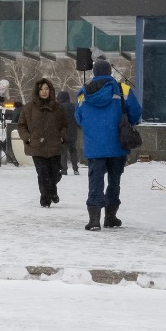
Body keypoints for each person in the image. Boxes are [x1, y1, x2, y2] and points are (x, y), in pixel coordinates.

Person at [75, 58, 142, 232]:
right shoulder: (123, 89)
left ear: (94, 73)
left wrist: (93, 128)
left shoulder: (83, 92)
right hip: (117, 145)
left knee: (95, 181)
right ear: (110, 72)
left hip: (94, 146)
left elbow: (79, 117)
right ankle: (110, 217)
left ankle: (94, 220)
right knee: (114, 181)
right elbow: (135, 112)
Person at [17, 78, 69, 208]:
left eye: (46, 89)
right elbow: (21, 125)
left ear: (50, 90)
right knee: (43, 173)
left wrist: (62, 137)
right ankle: (45, 198)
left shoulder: (58, 108)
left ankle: (52, 191)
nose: (44, 92)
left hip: (54, 145)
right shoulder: (28, 108)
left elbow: (64, 125)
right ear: (37, 91)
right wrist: (27, 138)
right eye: (41, 89)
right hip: (37, 146)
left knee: (55, 173)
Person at [60, 101, 82, 176]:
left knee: (63, 152)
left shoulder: (59, 107)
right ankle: (75, 169)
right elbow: (78, 117)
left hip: (63, 133)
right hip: (73, 132)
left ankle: (64, 170)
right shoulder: (74, 106)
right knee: (73, 151)